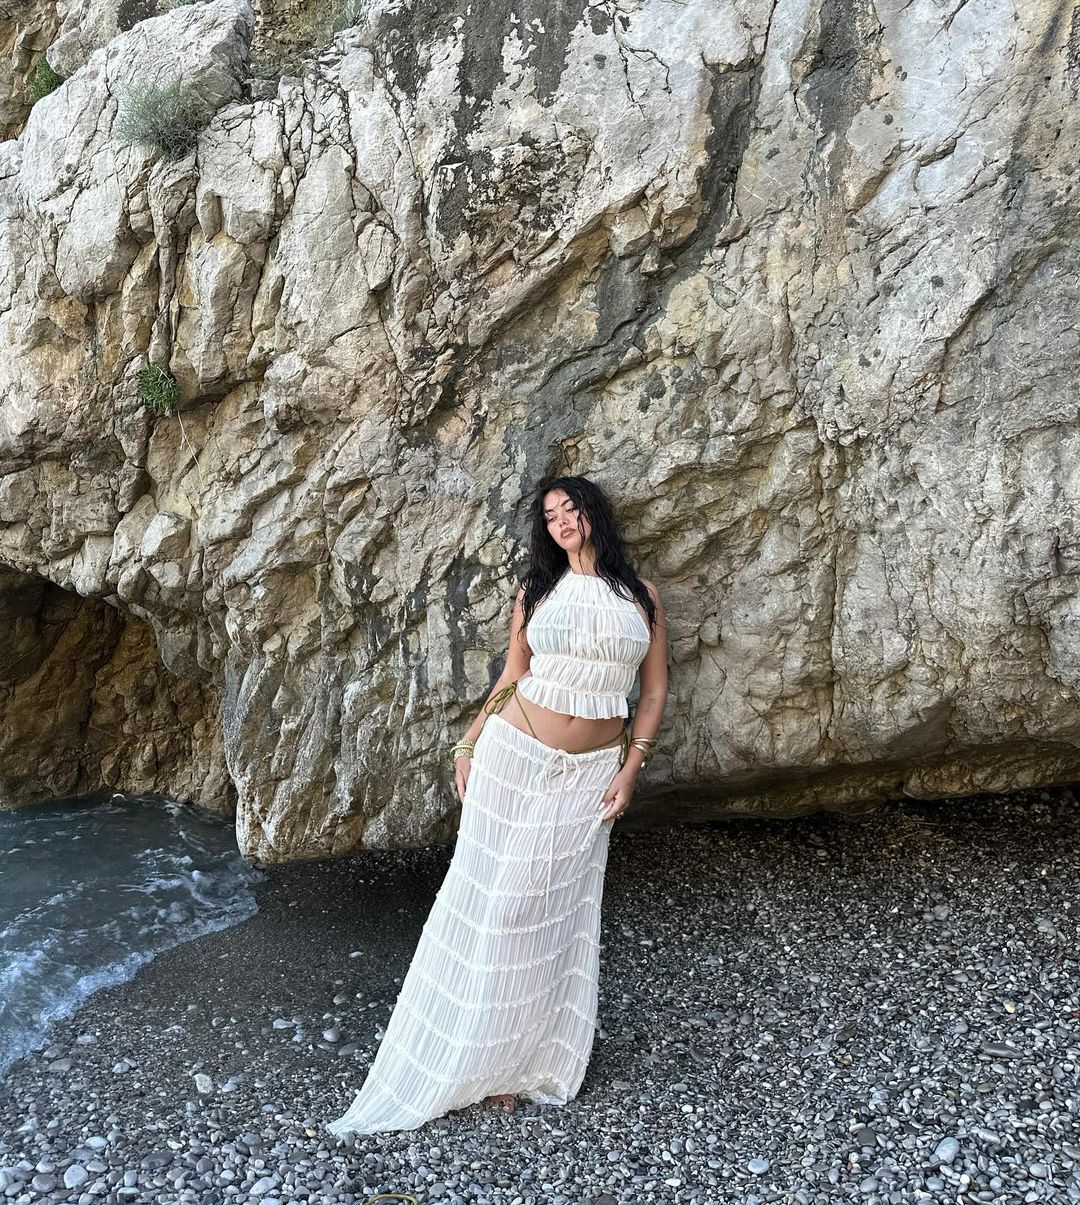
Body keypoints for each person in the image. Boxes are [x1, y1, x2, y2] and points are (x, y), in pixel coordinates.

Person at [326, 474, 668, 1136]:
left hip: (591, 771)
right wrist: (468, 742)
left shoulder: (642, 598)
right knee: (498, 903)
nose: (563, 519)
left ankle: (519, 1063)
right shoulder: (536, 591)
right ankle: (472, 1056)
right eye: (551, 514)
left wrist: (631, 769)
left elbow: (651, 693)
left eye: (572, 507)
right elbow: (512, 676)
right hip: (515, 757)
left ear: (595, 514)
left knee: (550, 908)